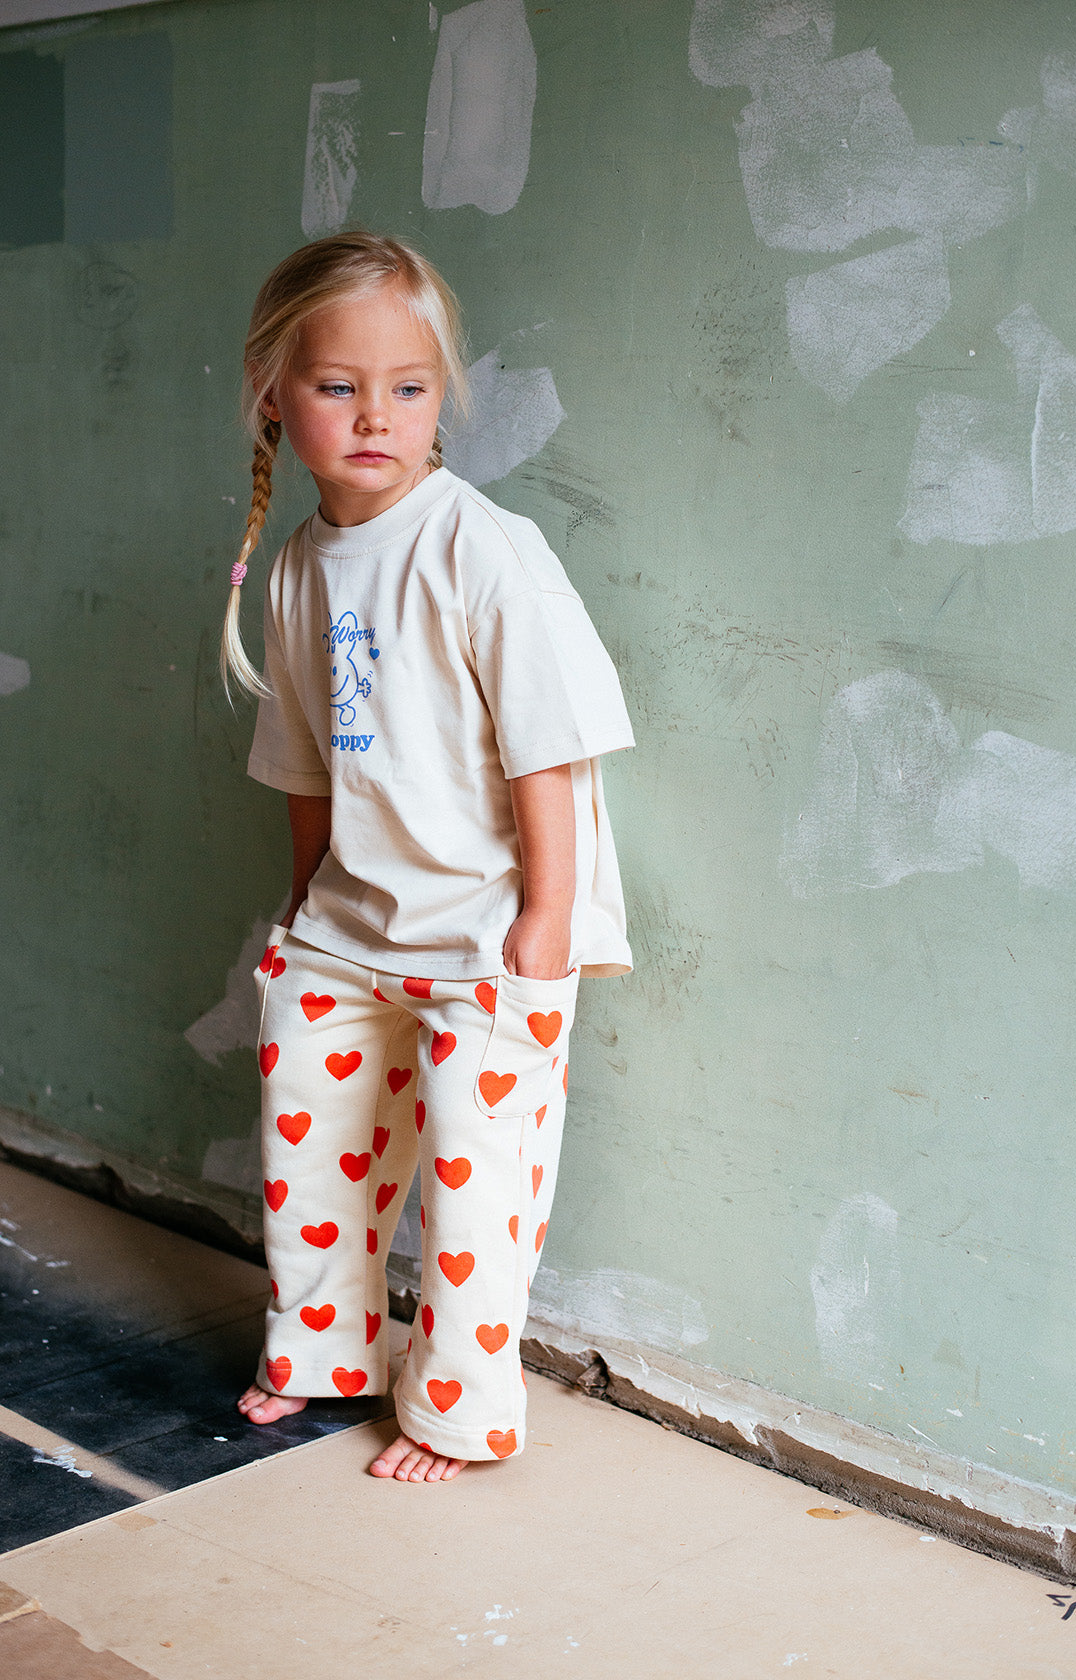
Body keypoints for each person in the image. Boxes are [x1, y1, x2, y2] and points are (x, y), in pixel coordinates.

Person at [220, 231, 633, 1483]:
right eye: (337, 386)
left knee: (472, 1184)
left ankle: (453, 1414)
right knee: (312, 1137)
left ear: (438, 396)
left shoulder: (478, 548)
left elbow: (546, 748)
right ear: (275, 398)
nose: (373, 416)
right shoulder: (298, 569)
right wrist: (301, 911)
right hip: (350, 925)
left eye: (406, 387)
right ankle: (324, 1350)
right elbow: (304, 765)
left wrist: (544, 924)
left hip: (489, 930)